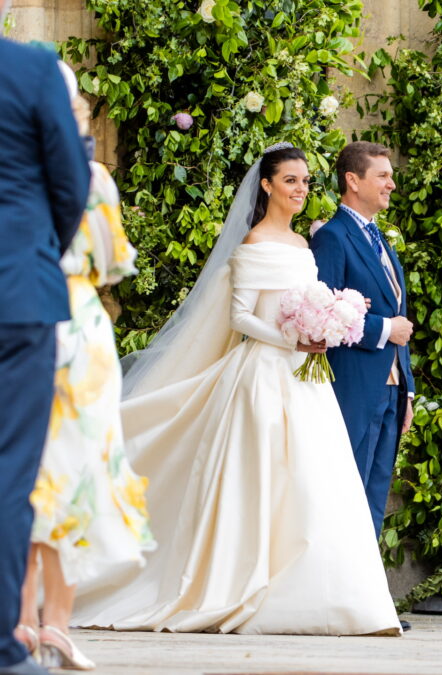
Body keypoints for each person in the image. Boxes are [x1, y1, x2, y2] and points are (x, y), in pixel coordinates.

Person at [70, 144, 402, 636]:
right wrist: (290, 336)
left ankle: (335, 596)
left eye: (306, 181)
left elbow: (315, 299)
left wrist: (328, 326)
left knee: (318, 482)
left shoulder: (305, 247)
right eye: (290, 180)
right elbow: (242, 317)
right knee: (263, 478)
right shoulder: (252, 243)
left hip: (306, 379)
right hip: (264, 373)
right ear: (266, 185)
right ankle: (252, 586)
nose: (301, 190)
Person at [16, 64, 154, 672]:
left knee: (23, 473)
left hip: (22, 317)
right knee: (74, 473)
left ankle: (17, 623)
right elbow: (111, 260)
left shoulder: (14, 168)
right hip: (77, 320)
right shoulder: (91, 176)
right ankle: (57, 627)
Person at [0, 29, 91, 675]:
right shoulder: (30, 67)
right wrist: (35, 254)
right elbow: (71, 180)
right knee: (8, 477)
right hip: (16, 295)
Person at [310, 141, 415, 538]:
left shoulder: (380, 238)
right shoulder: (333, 238)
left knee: (374, 497)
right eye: (383, 176)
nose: (391, 184)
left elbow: (397, 311)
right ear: (353, 180)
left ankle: (364, 594)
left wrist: (406, 391)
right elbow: (324, 317)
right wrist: (384, 330)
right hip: (353, 387)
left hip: (390, 389)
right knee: (345, 491)